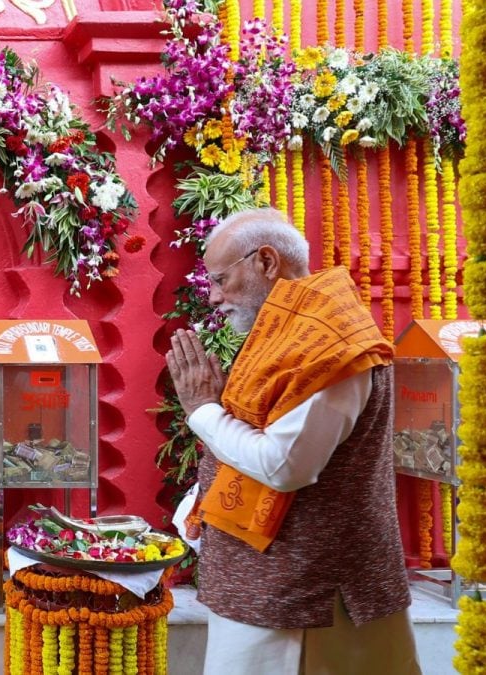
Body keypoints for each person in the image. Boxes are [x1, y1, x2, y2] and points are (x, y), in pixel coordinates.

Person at [165, 208, 420, 674]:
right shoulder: (291, 331)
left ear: (266, 262)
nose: (216, 297)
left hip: (304, 596)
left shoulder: (330, 343)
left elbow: (285, 466)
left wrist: (202, 409)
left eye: (222, 279)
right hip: (267, 584)